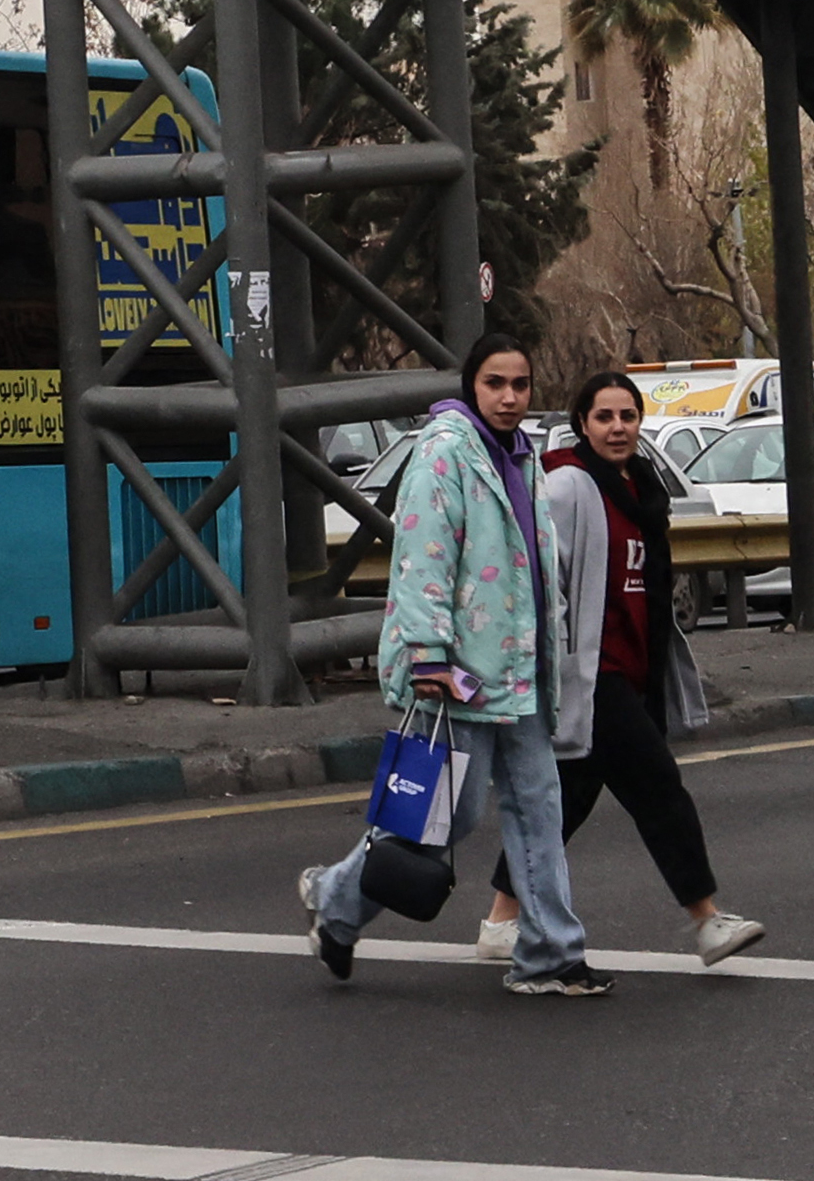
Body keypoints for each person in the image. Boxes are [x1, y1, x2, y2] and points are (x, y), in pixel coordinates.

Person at [306, 330, 595, 996]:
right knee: (443, 819)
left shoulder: (521, 456)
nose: (509, 397)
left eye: (520, 384)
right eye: (495, 383)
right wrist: (429, 654)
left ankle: (550, 953)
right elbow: (420, 557)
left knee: (538, 809)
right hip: (461, 673)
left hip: (518, 669)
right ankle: (336, 899)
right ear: (473, 386)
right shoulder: (446, 452)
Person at [484, 372, 766, 972]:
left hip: (632, 668)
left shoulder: (640, 489)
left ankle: (500, 921)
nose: (617, 428)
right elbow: (540, 575)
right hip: (592, 671)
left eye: (627, 417)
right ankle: (707, 917)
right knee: (658, 786)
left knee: (569, 799)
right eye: (604, 417)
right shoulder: (569, 485)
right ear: (582, 424)